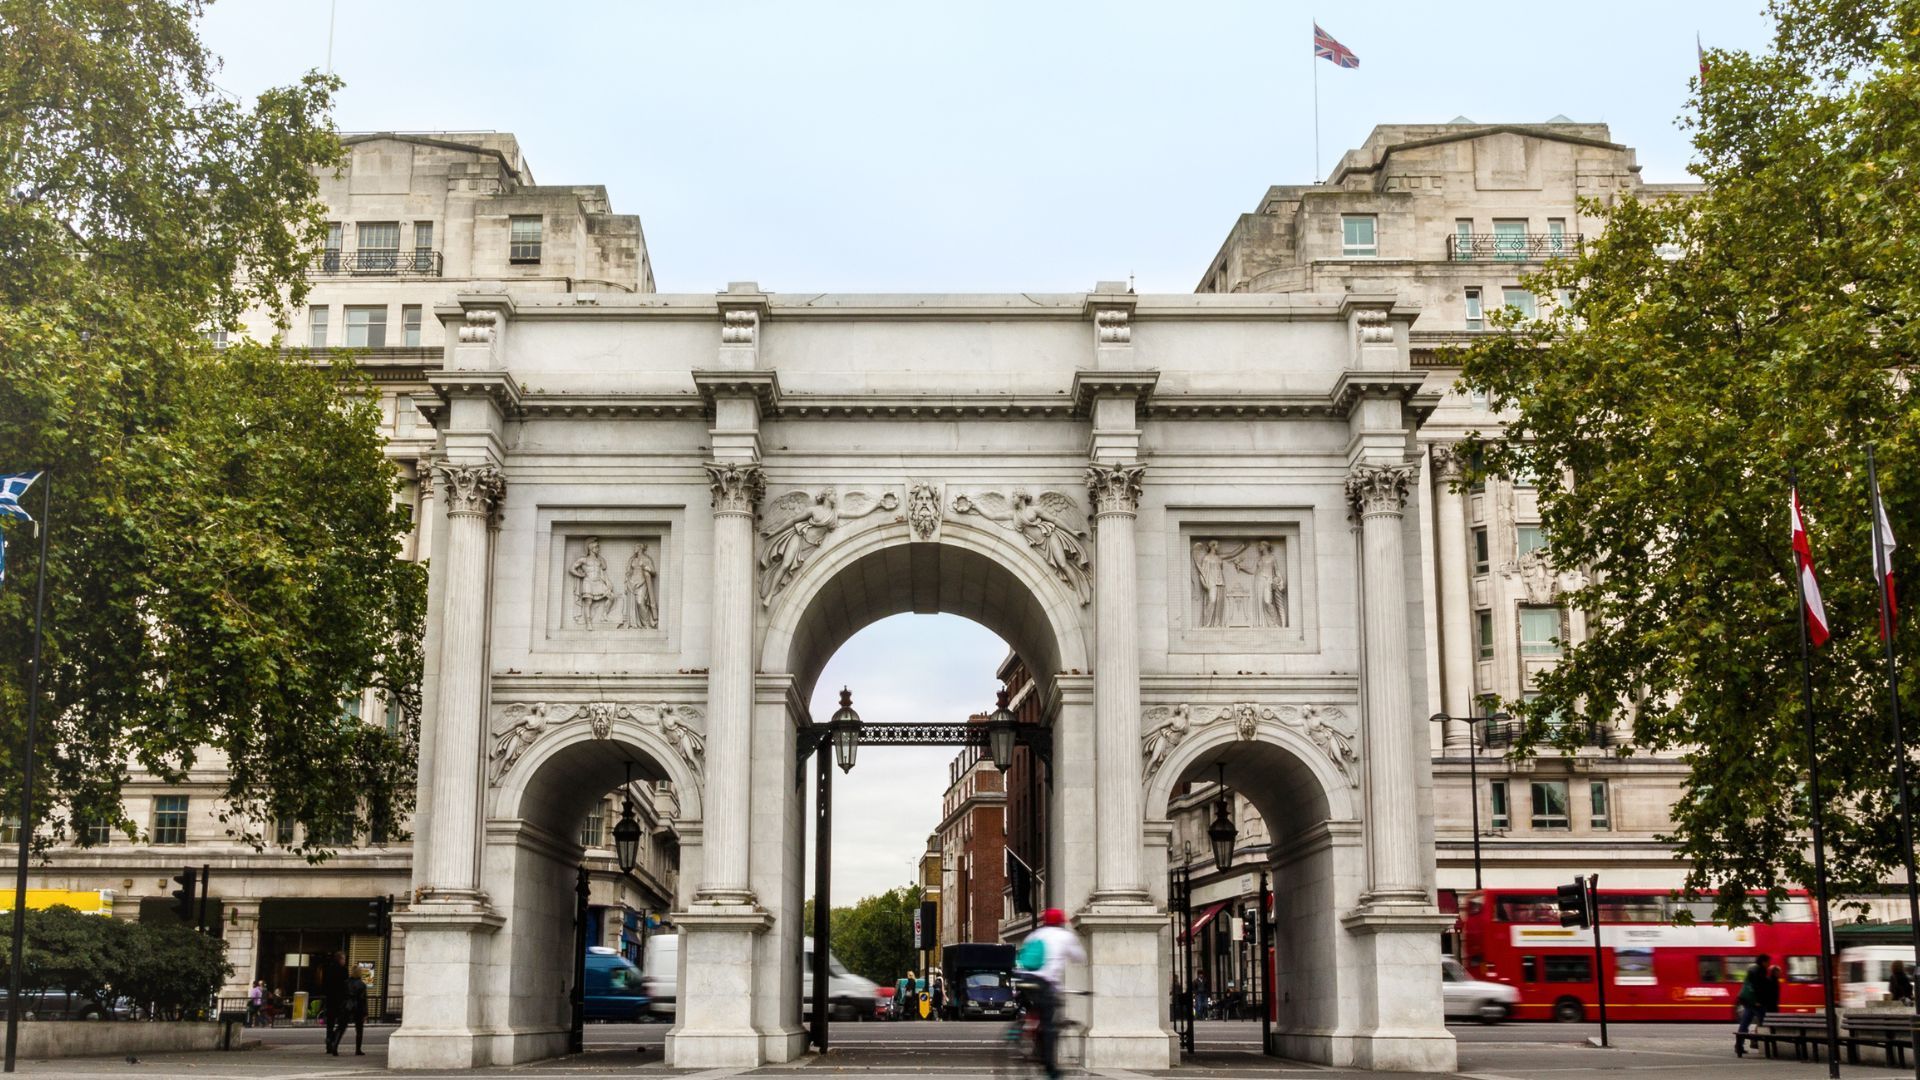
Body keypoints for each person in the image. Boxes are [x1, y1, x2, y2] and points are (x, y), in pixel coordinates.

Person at [1019, 908, 1086, 1080]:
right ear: (1061, 922)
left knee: (1036, 1011)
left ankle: (1028, 1033)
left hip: (1026, 980)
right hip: (1045, 983)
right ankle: (1050, 1066)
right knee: (1049, 1024)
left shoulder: (1035, 934)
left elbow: (1023, 957)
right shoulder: (1064, 936)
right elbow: (1079, 957)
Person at [1734, 952, 1772, 1057]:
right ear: (1764, 962)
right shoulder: (1759, 970)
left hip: (1747, 1001)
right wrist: (1758, 1001)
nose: (1769, 964)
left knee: (1745, 1023)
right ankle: (1755, 1041)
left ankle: (1739, 1046)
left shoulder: (1753, 969)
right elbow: (1758, 986)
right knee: (1763, 1021)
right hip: (1754, 1002)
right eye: (1768, 962)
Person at [321, 951, 350, 1056]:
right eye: (344, 959)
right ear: (340, 959)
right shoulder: (343, 970)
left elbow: (324, 985)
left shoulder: (328, 969)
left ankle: (329, 1044)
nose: (344, 961)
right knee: (342, 1023)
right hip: (340, 1000)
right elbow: (345, 985)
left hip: (330, 1000)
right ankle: (333, 1040)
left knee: (330, 1024)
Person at [345, 965, 369, 1056]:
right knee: (359, 1030)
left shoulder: (346, 983)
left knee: (341, 1027)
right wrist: (365, 1013)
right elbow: (363, 1000)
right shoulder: (362, 984)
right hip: (358, 1008)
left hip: (347, 1007)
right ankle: (358, 1049)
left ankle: (335, 1045)